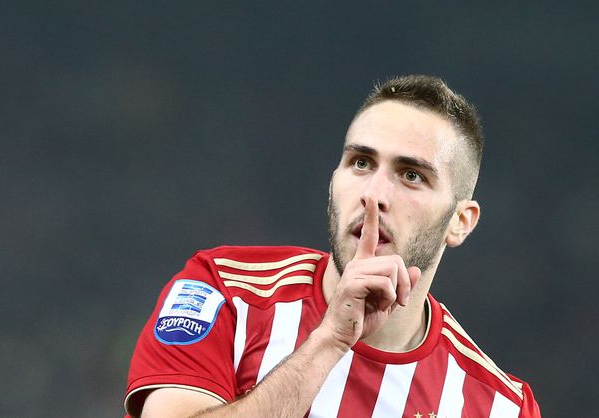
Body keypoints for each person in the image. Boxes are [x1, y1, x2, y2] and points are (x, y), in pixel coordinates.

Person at [123, 75, 541, 417]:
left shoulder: (501, 408)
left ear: (459, 221)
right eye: (361, 163)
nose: (374, 194)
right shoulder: (225, 291)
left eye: (411, 175)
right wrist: (330, 341)